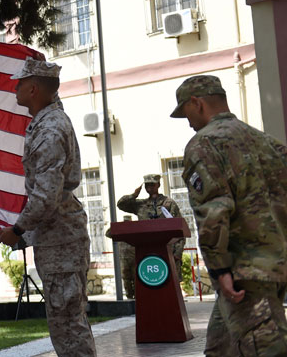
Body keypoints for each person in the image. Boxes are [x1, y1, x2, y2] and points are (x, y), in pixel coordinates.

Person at [171, 74, 287, 356]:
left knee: (266, 350)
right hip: (274, 266)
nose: (186, 121)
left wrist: (220, 268)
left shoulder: (204, 144)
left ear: (196, 103)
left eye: (184, 111)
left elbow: (214, 209)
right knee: (219, 349)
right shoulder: (267, 142)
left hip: (243, 275)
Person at [0, 56, 96, 356]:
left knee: (68, 327)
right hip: (59, 239)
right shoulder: (50, 119)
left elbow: (45, 196)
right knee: (68, 323)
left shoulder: (50, 129)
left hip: (61, 242)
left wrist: (17, 230)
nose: (15, 86)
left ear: (34, 88)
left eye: (21, 82)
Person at [117, 174, 186, 279]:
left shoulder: (169, 203)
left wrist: (177, 253)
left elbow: (180, 230)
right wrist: (134, 195)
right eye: (147, 185)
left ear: (158, 185)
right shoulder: (140, 204)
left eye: (152, 185)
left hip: (169, 253)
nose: (149, 187)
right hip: (147, 254)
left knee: (170, 285)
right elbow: (121, 204)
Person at [105, 216, 136, 299]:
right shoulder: (120, 229)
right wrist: (116, 226)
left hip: (134, 257)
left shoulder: (135, 228)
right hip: (123, 257)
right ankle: (129, 295)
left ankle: (137, 295)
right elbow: (108, 234)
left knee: (135, 277)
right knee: (126, 278)